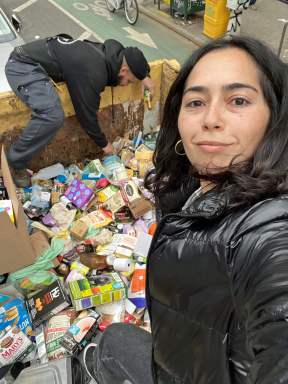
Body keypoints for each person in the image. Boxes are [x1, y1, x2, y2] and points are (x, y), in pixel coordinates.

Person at [81, 35, 288, 384]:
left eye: (238, 100)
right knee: (114, 339)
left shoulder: (268, 230)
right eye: (195, 103)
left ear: (275, 118)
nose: (210, 119)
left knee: (110, 343)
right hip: (184, 359)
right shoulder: (198, 179)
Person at [5, 35, 155, 187]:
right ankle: (16, 160)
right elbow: (86, 116)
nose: (126, 85)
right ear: (123, 70)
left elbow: (133, 57)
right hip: (23, 64)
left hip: (42, 58)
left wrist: (145, 76)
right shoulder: (93, 71)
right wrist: (105, 145)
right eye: (129, 81)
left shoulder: (113, 53)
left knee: (53, 111)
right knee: (52, 115)